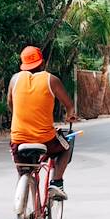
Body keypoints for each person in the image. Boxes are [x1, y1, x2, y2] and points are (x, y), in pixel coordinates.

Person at [7, 45, 77, 200]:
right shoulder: (51, 80)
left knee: (24, 171)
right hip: (45, 139)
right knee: (67, 145)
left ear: (23, 65)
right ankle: (56, 182)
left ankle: (26, 211)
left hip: (18, 139)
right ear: (42, 63)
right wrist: (69, 116)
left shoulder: (14, 79)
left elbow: (10, 104)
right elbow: (70, 106)